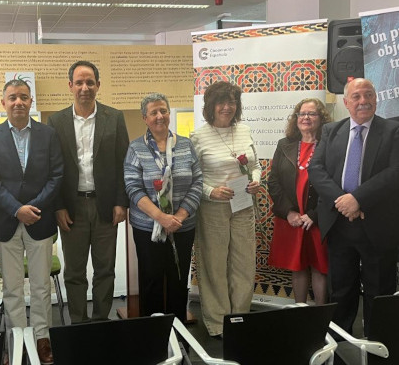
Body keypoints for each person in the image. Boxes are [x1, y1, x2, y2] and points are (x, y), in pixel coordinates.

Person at [308, 78, 399, 336]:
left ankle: (377, 345)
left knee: (379, 291)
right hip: (339, 224)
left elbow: (397, 172)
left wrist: (359, 198)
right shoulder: (331, 131)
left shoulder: (394, 130)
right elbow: (316, 170)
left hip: (377, 225)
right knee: (340, 290)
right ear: (346, 102)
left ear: (376, 98)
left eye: (368, 95)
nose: (363, 101)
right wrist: (343, 201)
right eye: (356, 96)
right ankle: (340, 346)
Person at [0, 80, 63, 365]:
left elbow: (56, 176)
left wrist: (33, 208)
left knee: (42, 286)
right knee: (12, 288)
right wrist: (18, 210)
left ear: (31, 102)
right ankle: (16, 340)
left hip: (39, 221)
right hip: (6, 221)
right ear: (3, 102)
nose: (18, 102)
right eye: (12, 97)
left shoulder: (48, 134)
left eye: (24, 97)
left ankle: (42, 340)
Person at [47, 60, 130, 324]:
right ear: (70, 85)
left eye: (90, 82)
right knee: (74, 271)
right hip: (72, 209)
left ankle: (100, 321)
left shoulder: (114, 118)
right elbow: (53, 169)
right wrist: (58, 206)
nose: (85, 87)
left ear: (98, 86)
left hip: (105, 205)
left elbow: (123, 164)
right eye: (79, 82)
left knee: (105, 269)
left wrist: (121, 201)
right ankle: (79, 323)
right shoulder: (56, 121)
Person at [190, 81, 260, 338]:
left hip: (243, 205)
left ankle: (240, 317)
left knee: (244, 264)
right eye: (221, 102)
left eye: (232, 102)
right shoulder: (198, 136)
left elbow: (256, 165)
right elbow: (194, 176)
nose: (227, 107)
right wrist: (211, 190)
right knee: (214, 265)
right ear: (211, 106)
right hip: (212, 209)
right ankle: (218, 322)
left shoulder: (245, 129)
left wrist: (256, 180)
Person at [123, 93, 202, 321]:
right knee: (152, 282)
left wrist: (178, 216)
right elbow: (133, 187)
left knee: (178, 280)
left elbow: (197, 182)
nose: (160, 116)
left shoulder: (186, 145)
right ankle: (154, 338)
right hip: (148, 228)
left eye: (163, 111)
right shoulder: (136, 148)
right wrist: (161, 217)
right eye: (154, 113)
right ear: (145, 118)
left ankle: (178, 335)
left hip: (182, 226)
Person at [267, 98, 332, 304]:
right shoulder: (284, 145)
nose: (305, 118)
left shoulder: (329, 145)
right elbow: (274, 181)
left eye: (312, 114)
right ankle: (300, 311)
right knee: (298, 266)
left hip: (318, 218)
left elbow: (334, 183)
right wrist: (289, 212)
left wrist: (313, 215)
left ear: (321, 118)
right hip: (292, 218)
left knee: (320, 268)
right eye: (301, 114)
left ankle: (322, 317)